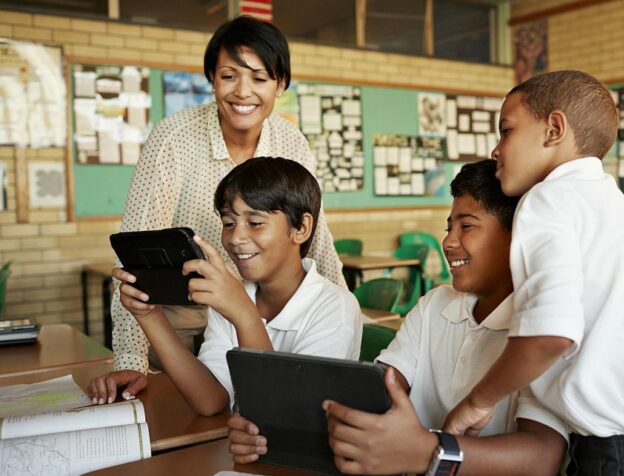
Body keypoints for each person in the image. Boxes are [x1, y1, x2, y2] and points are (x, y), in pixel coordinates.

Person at [443, 71, 624, 475]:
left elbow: (550, 334)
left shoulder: (546, 199)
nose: (496, 149)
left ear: (554, 129)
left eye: (506, 131)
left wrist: (477, 401)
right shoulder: (604, 194)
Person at [227, 160, 568, 474]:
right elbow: (376, 390)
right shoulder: (436, 305)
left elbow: (543, 457)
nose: (448, 241)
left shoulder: (544, 328)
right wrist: (269, 429)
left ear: (517, 236)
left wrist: (431, 452)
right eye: (449, 226)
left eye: (467, 226)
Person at [97, 16, 347, 396]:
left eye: (259, 78)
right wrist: (131, 360)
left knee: (261, 402)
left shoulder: (292, 142)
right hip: (177, 308)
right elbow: (134, 255)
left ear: (280, 84)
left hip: (254, 306)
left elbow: (318, 237)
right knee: (181, 411)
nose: (243, 92)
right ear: (211, 79)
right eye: (229, 76)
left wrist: (340, 308)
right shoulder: (174, 138)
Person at [88, 157, 361, 415]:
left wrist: (243, 313)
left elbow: (282, 411)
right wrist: (150, 316)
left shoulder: (335, 308)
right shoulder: (231, 296)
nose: (236, 238)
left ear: (300, 228)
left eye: (255, 223)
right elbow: (210, 400)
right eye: (229, 223)